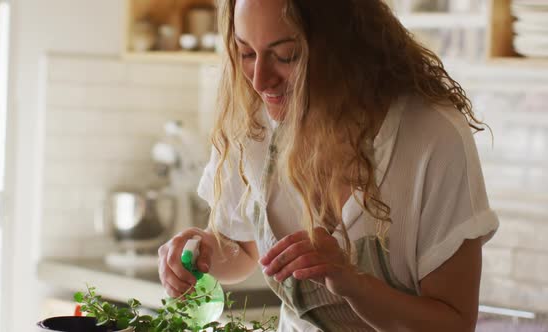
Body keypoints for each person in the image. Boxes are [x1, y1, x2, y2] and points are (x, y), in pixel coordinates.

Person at [158, 0, 500, 331]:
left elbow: (454, 323)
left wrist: (352, 283)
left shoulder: (431, 137)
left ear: (345, 44)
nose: (260, 81)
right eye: (246, 53)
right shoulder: (254, 125)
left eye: (286, 55)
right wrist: (200, 255)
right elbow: (245, 249)